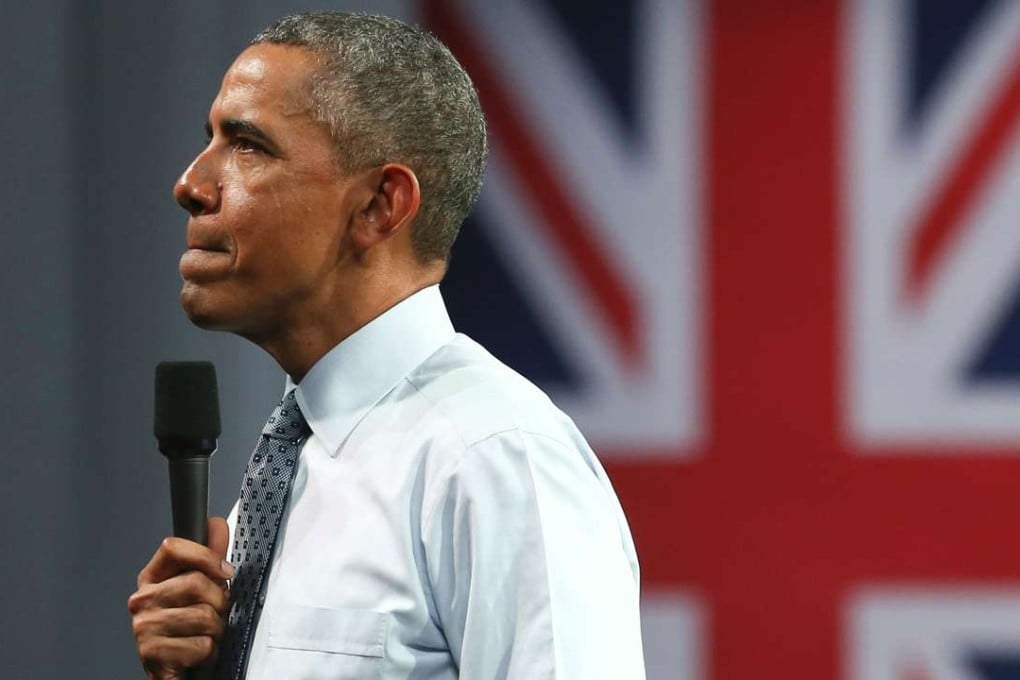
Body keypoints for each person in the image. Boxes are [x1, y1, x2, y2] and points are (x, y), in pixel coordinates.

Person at [127, 11, 644, 680]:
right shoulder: (298, 456)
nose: (192, 184)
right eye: (211, 139)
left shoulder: (496, 457)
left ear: (379, 205)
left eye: (248, 145)